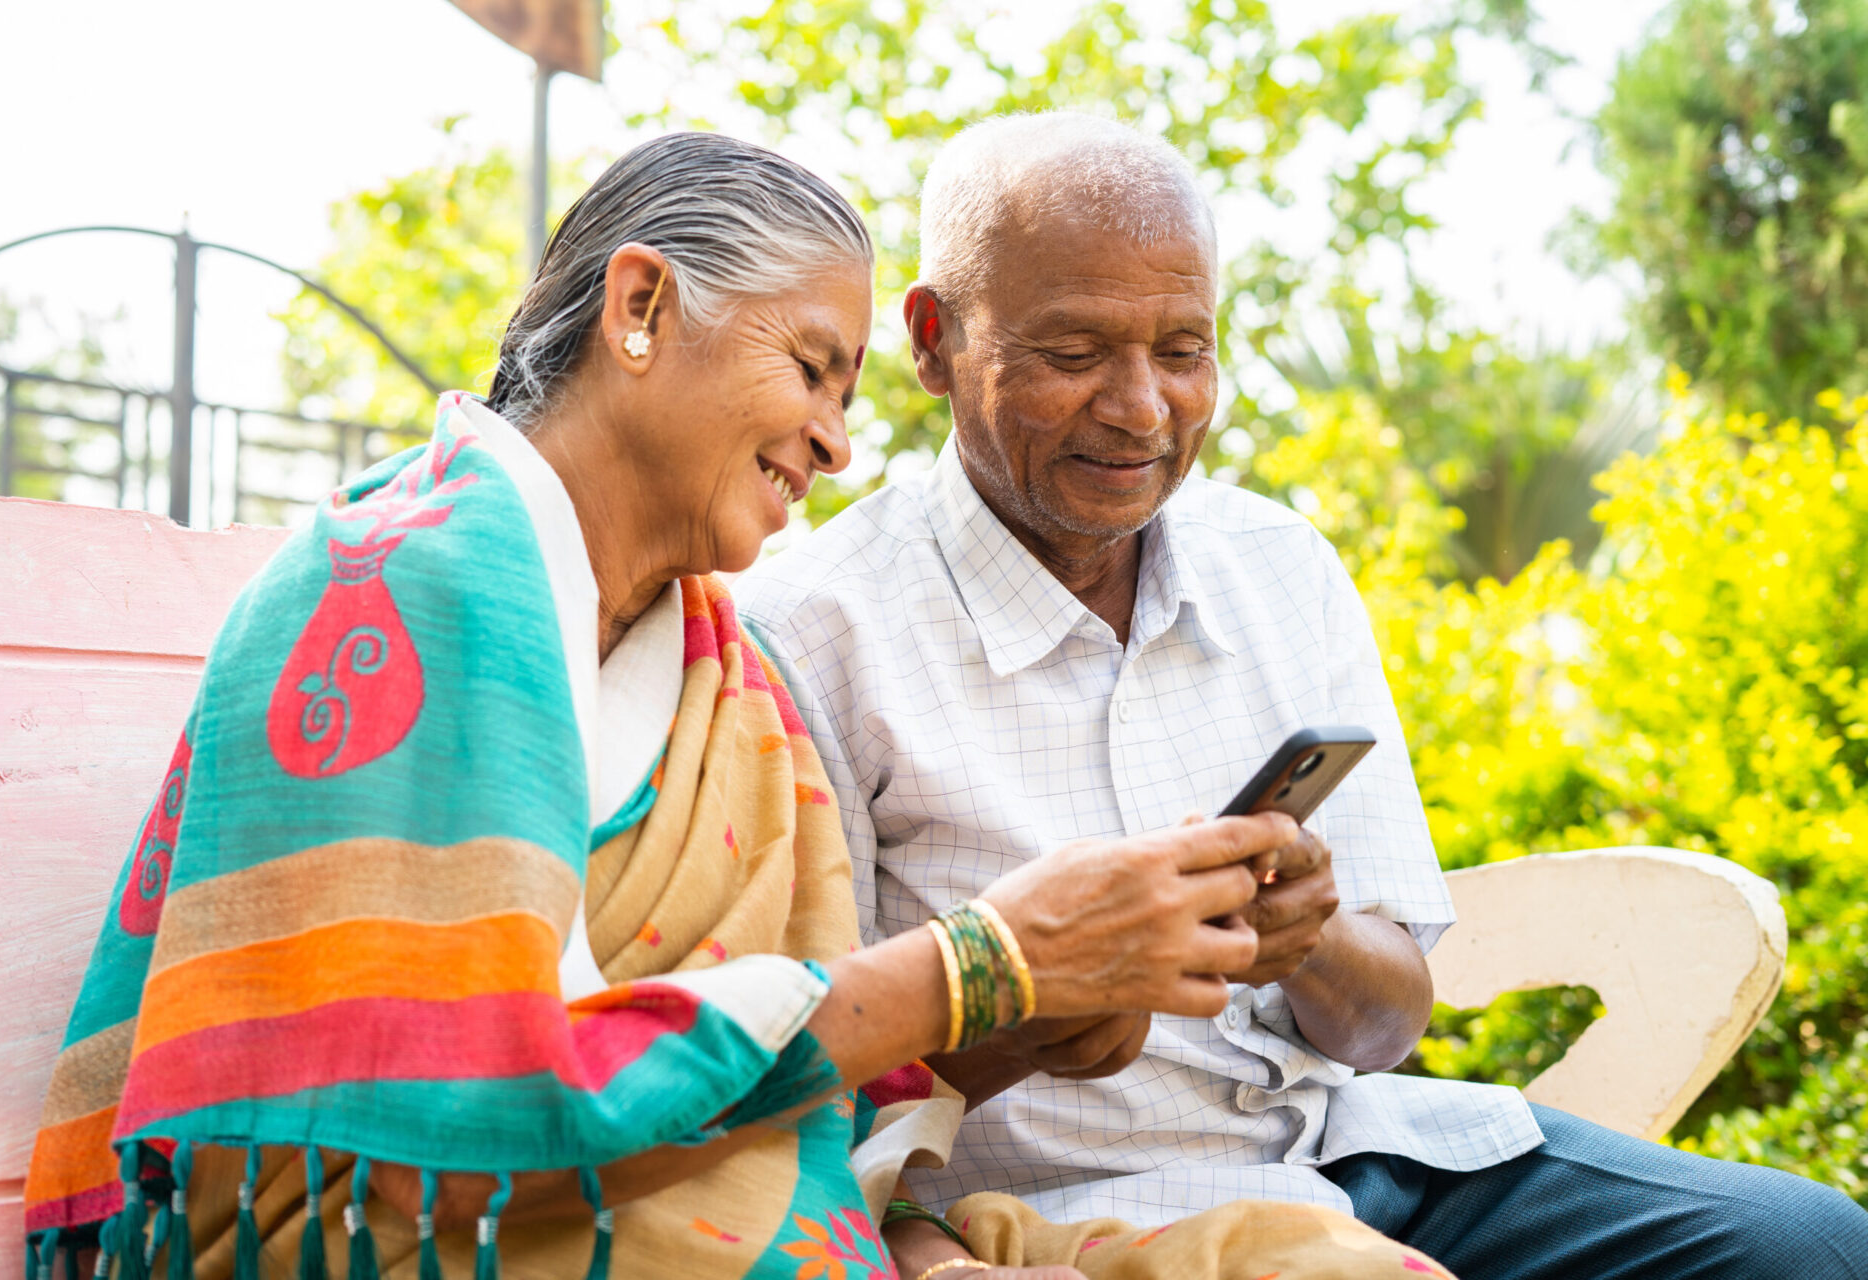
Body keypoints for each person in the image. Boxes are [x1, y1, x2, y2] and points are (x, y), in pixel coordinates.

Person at [20, 132, 1449, 1280]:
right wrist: (989, 966)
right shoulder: (410, 577)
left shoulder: (715, 656)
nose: (835, 438)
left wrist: (1043, 1010)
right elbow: (460, 1090)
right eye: (810, 371)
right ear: (642, 308)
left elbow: (792, 1066)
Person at [735, 111, 1868, 1280]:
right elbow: (804, 1095)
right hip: (1041, 1219)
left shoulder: (1277, 563)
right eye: (1075, 355)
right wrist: (1039, 990)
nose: (1140, 408)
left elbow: (1385, 1025)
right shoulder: (813, 632)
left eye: (1183, 350)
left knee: (1817, 1250)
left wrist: (1307, 933)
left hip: (1352, 1162)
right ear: (932, 341)